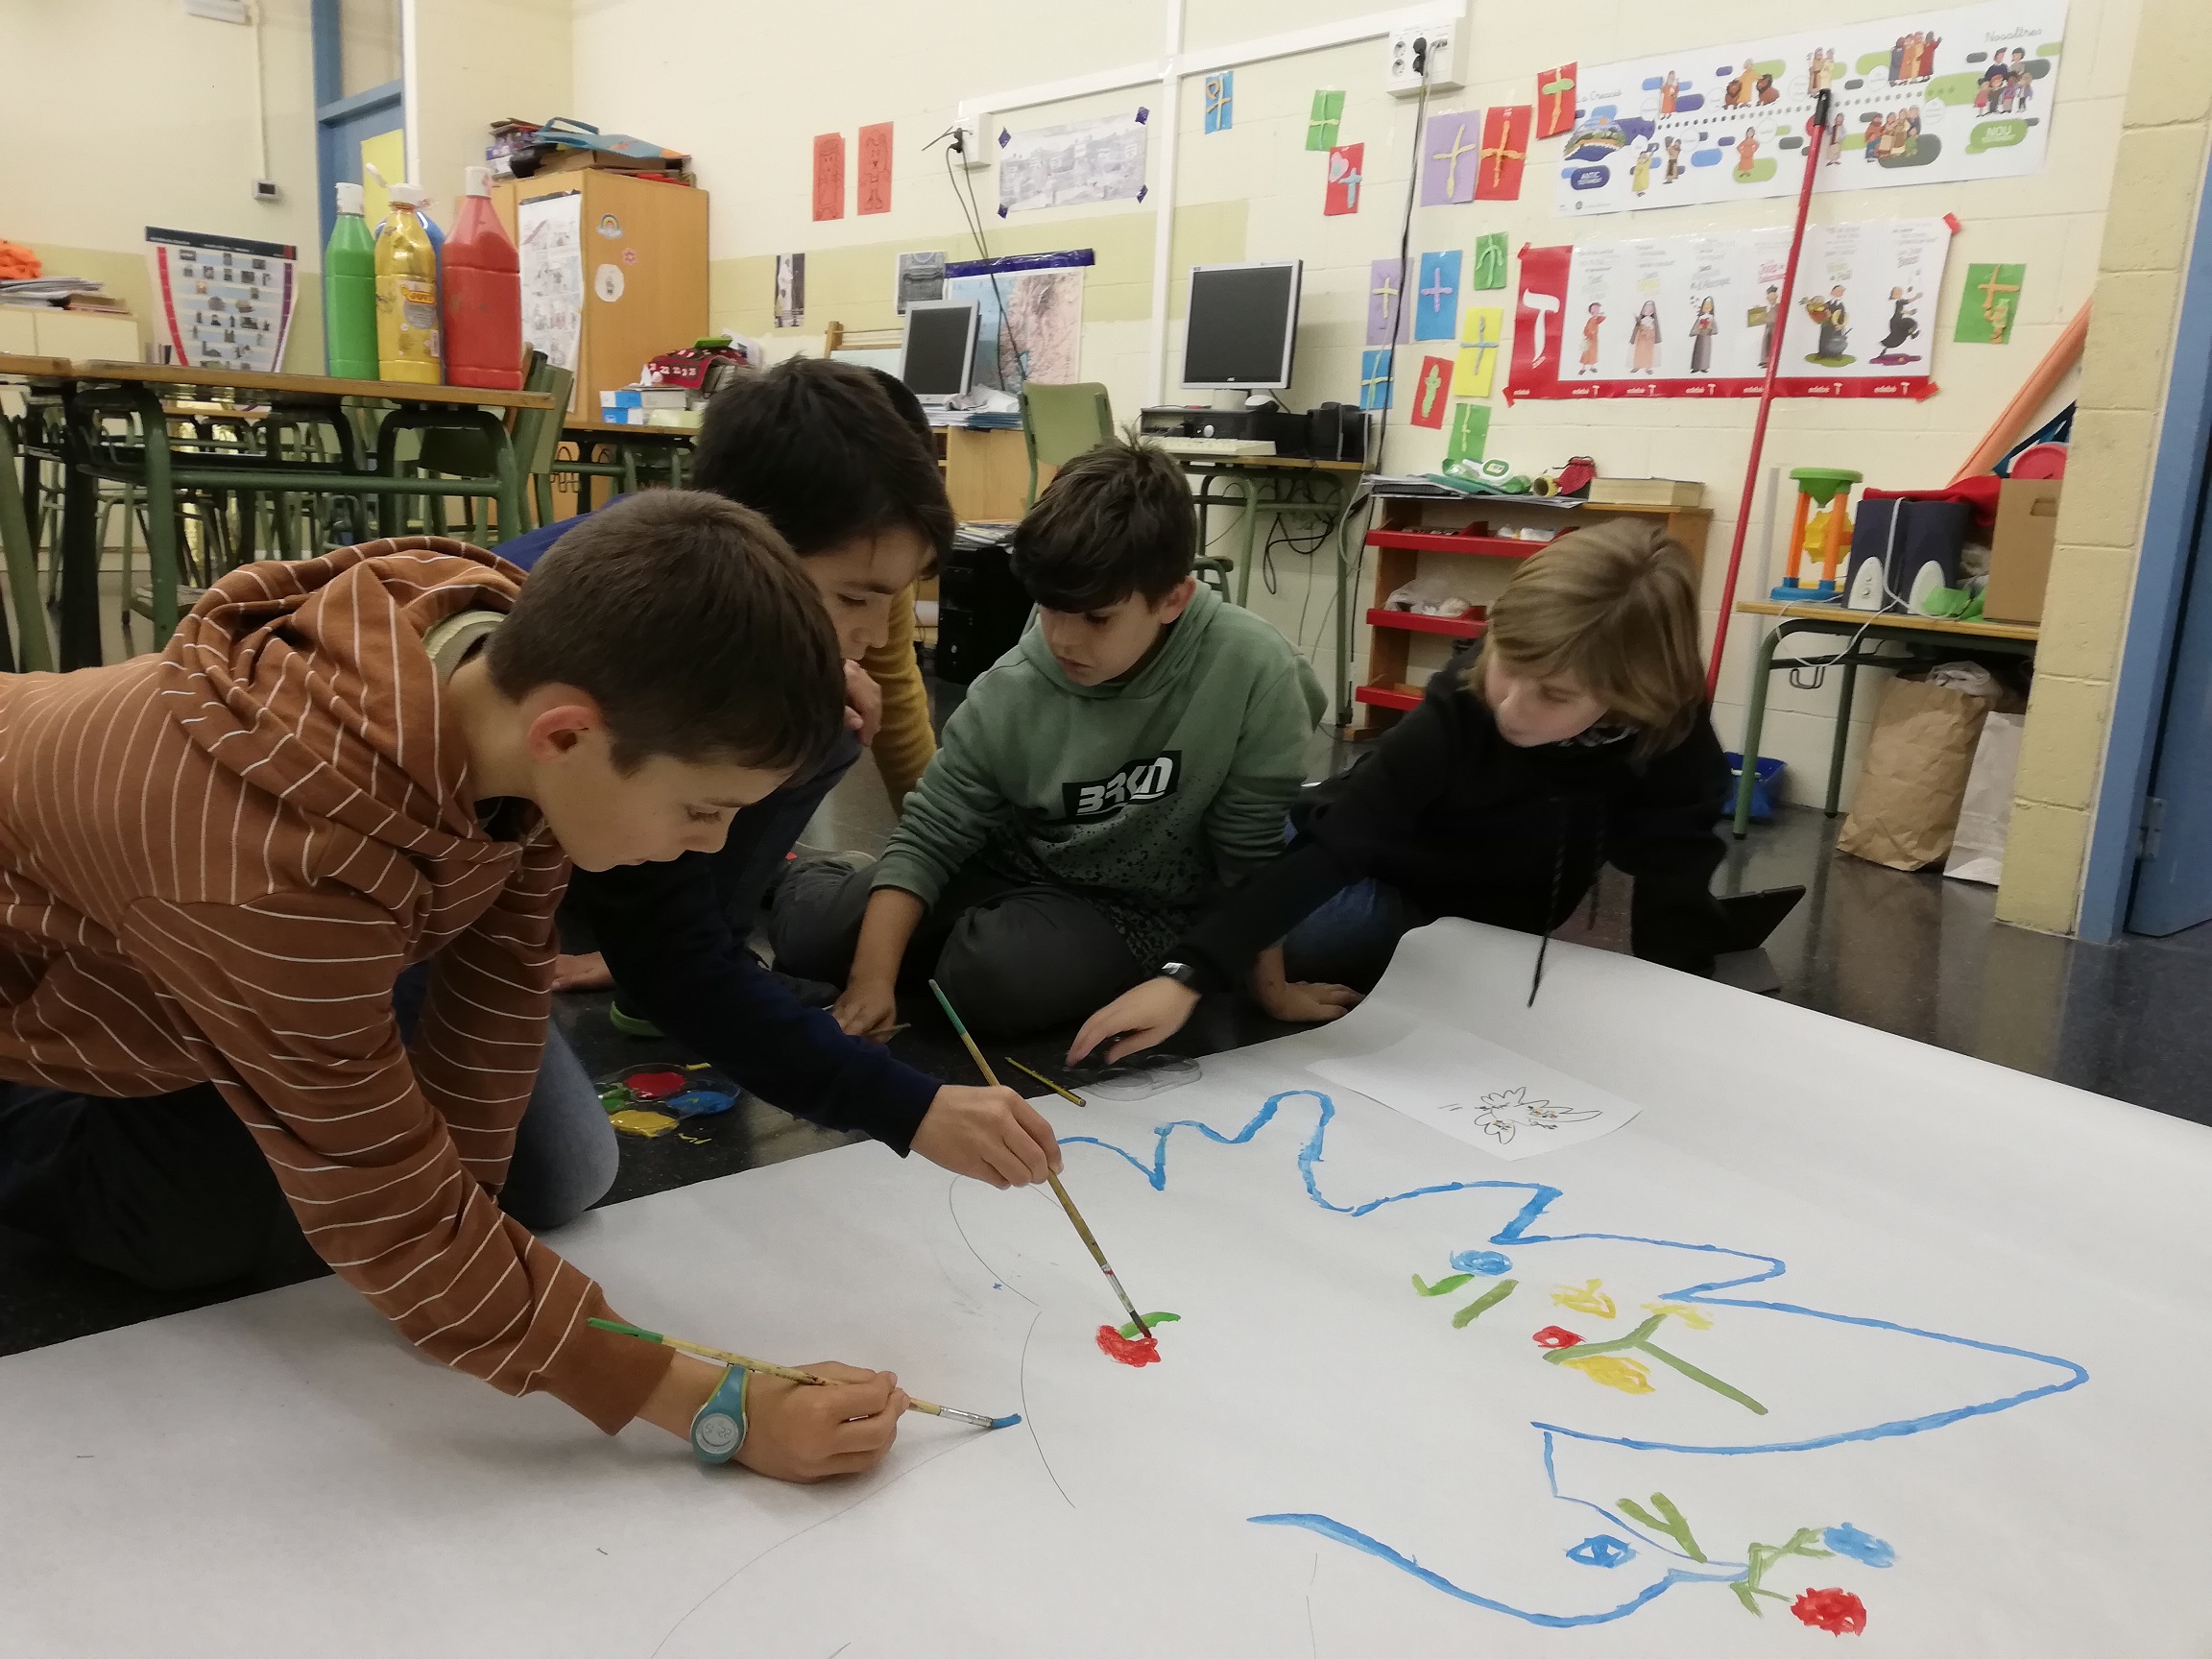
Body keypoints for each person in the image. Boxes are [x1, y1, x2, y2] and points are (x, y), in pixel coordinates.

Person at [0, 493, 950, 1479]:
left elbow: (497, 987)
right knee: (197, 1231)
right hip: (46, 974)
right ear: (565, 737)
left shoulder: (500, 669)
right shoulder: (275, 873)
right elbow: (396, 1216)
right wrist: (717, 1406)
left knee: (514, 1192)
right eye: (701, 810)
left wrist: (472, 1257)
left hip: (161, 944)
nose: (709, 847)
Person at [498, 358, 1060, 1191]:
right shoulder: (617, 652)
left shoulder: (704, 594)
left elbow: (894, 706)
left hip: (489, 900)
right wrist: (906, 1106)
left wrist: (938, 857)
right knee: (533, 1165)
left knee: (559, 1165)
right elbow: (669, 964)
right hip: (403, 917)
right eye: (853, 599)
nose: (873, 633)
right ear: (747, 548)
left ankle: (662, 925)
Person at [1069, 518, 1731, 1067]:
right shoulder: (1465, 702)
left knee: (1417, 957)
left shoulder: (1667, 730)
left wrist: (1687, 1019)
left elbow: (1674, 879)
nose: (1511, 707)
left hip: (1480, 913)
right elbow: (1342, 843)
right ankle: (1159, 912)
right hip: (1369, 861)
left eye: (1555, 696)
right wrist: (1188, 974)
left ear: (1628, 696)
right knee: (1312, 929)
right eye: (1508, 664)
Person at [771, 437, 1325, 1039]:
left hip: (1141, 907)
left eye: (1097, 618)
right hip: (1006, 868)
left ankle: (960, 940)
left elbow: (1250, 851)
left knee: (993, 980)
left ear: (1173, 599)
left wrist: (1273, 992)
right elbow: (931, 835)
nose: (1061, 639)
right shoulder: (1015, 686)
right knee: (808, 939)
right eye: (1049, 608)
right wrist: (870, 982)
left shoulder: (1254, 671)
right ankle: (816, 877)